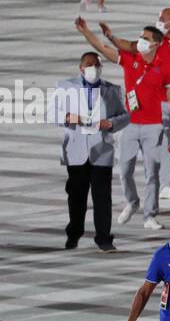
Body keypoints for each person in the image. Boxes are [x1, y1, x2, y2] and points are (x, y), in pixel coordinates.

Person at [74, 18, 170, 231]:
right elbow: (102, 49)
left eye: (146, 38)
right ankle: (132, 202)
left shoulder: (164, 68)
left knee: (152, 173)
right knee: (124, 171)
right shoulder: (130, 60)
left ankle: (150, 216)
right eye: (140, 36)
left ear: (156, 44)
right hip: (130, 125)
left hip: (153, 126)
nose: (140, 40)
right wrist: (86, 31)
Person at [48, 51, 130, 253]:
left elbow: (125, 116)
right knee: (76, 196)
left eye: (97, 65)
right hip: (76, 150)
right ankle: (74, 233)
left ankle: (104, 238)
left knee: (102, 197)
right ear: (81, 68)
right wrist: (68, 117)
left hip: (101, 150)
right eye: (89, 64)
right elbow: (51, 113)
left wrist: (110, 123)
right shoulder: (65, 87)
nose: (94, 68)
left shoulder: (112, 90)